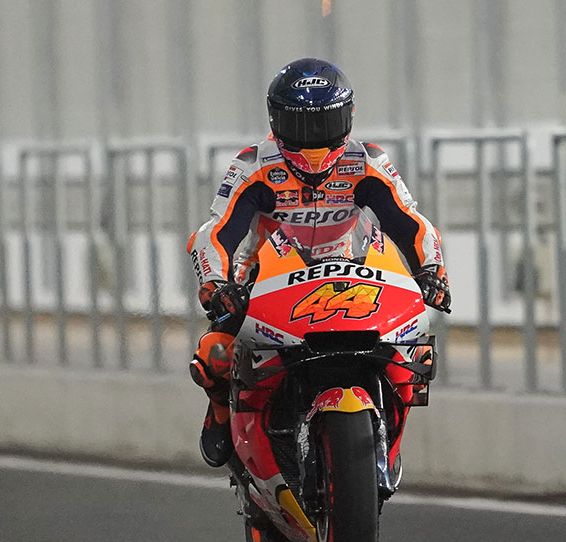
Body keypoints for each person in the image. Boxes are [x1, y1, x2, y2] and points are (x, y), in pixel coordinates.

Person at [185, 57, 451, 468]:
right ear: (276, 121)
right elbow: (216, 231)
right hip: (264, 281)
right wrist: (215, 284)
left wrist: (432, 270)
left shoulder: (368, 162)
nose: (313, 141)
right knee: (213, 356)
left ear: (348, 117)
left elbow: (410, 222)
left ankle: (388, 439)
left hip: (351, 275)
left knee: (414, 352)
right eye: (301, 126)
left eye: (324, 125)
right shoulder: (253, 165)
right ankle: (221, 409)